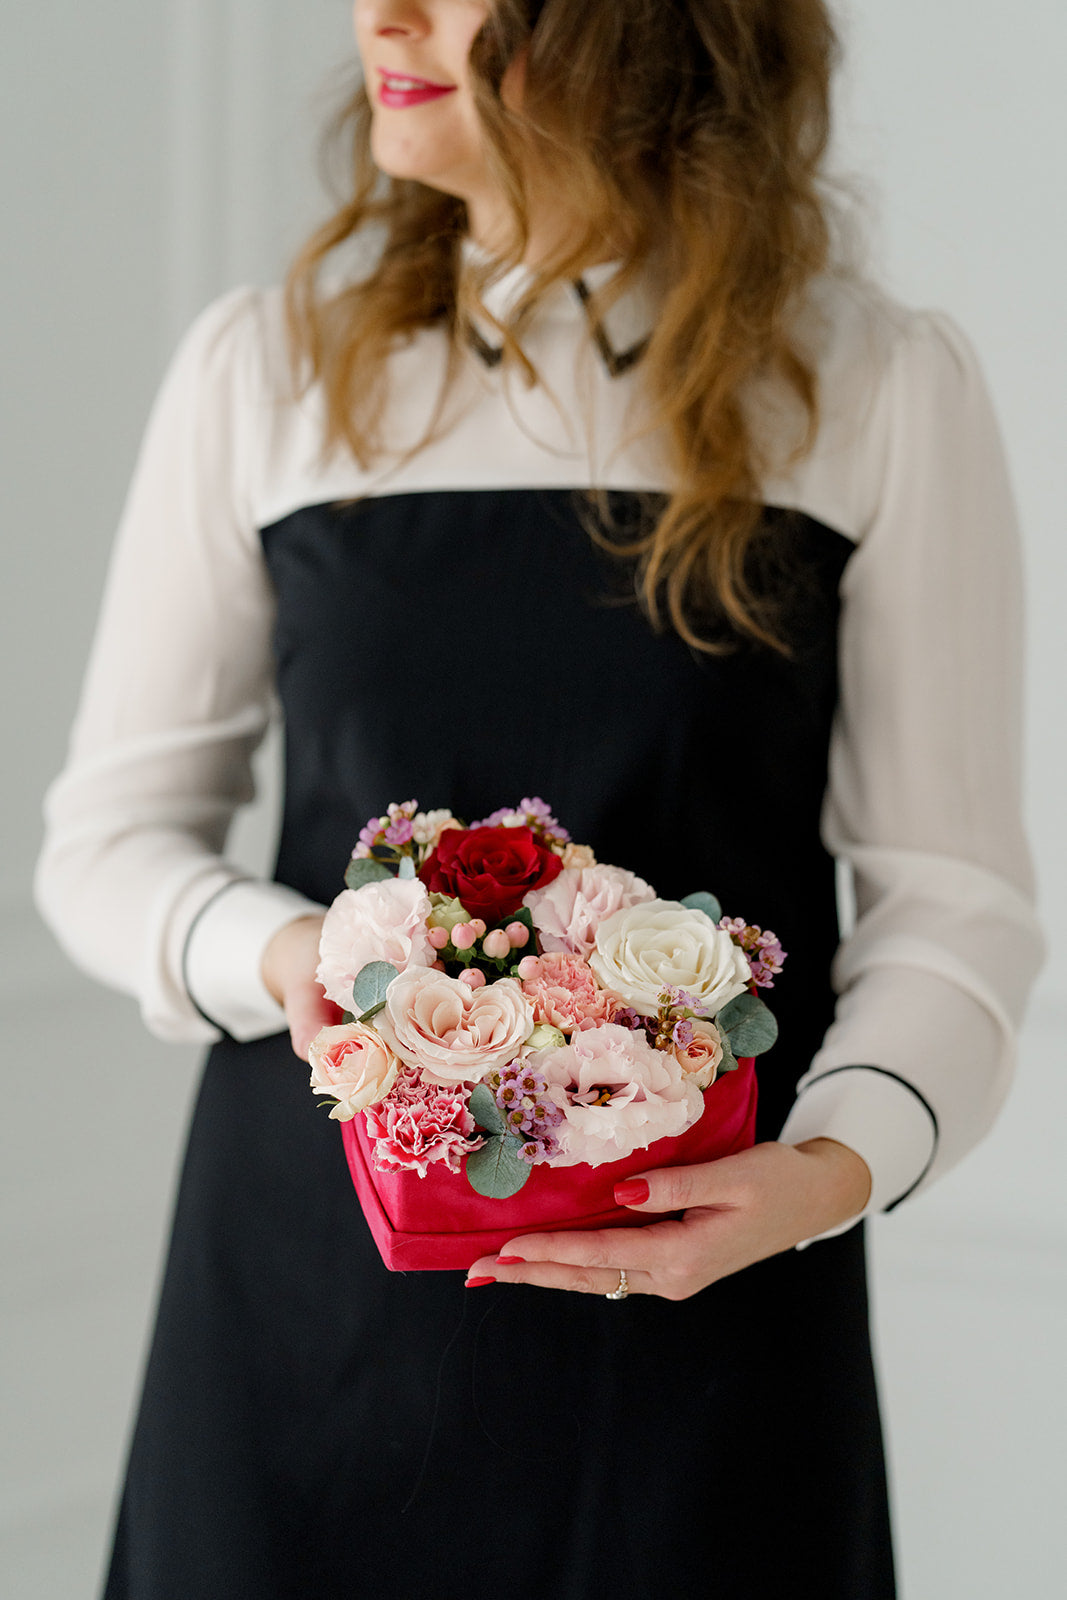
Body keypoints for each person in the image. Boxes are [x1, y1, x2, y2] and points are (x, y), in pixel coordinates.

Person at [35, 2, 1042, 1596]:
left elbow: (955, 899)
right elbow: (106, 843)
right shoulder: (270, 368)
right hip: (304, 1317)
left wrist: (835, 1168)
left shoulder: (876, 384)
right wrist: (293, 960)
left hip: (709, 1312)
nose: (387, 13)